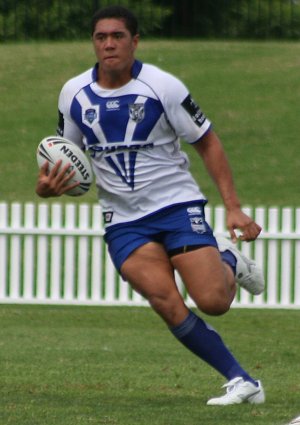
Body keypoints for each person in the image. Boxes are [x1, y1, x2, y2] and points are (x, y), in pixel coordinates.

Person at [35, 5, 266, 405]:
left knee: (213, 301)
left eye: (117, 36)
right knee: (164, 300)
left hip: (175, 205)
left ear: (135, 41)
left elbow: (207, 141)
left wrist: (232, 206)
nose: (109, 44)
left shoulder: (163, 87)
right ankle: (242, 380)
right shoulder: (73, 93)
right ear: (93, 42)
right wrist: (47, 187)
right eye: (101, 37)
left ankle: (229, 261)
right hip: (123, 220)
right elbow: (64, 156)